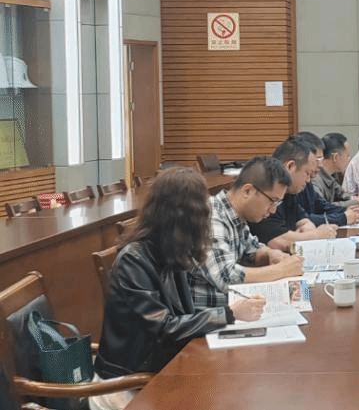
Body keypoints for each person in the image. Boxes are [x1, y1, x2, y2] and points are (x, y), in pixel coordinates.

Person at [90, 168, 265, 410]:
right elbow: (164, 327)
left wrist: (233, 309)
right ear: (184, 218)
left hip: (159, 369)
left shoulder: (171, 250)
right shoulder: (134, 260)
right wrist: (229, 313)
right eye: (202, 215)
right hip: (128, 384)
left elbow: (184, 313)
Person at [188, 155, 306, 308]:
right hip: (211, 315)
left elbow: (251, 250)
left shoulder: (236, 215)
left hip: (236, 307)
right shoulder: (211, 217)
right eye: (272, 201)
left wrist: (270, 254)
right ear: (247, 191)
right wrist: (281, 270)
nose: (273, 210)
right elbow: (227, 278)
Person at [248, 135, 341, 250]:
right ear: (291, 167)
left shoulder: (290, 192)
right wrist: (317, 234)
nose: (308, 180)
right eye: (307, 173)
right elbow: (276, 241)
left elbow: (305, 221)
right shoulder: (265, 188)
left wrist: (303, 235)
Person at [293, 131, 359, 226]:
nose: (320, 164)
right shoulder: (308, 181)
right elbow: (305, 218)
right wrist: (344, 217)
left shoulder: (310, 181)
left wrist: (348, 210)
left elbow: (322, 206)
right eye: (318, 160)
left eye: (321, 159)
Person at [311, 132, 359, 208]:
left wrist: (358, 199)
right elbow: (322, 207)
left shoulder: (332, 175)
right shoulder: (314, 179)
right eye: (347, 156)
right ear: (335, 157)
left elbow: (342, 194)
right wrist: (355, 202)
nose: (348, 160)